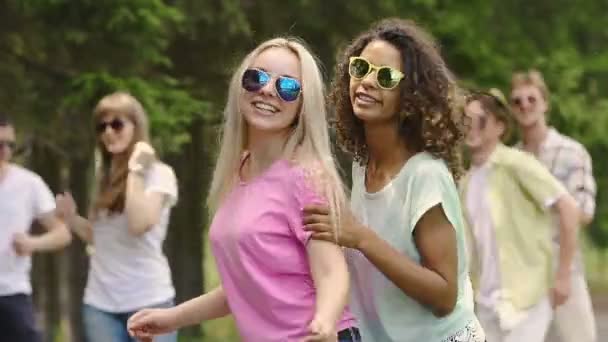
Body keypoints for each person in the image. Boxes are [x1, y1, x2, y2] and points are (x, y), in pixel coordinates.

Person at [127, 37, 359, 342]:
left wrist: (325, 323)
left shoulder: (307, 177)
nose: (266, 90)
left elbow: (332, 271)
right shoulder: (239, 170)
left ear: (304, 104)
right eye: (256, 77)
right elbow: (245, 285)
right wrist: (172, 318)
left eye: (287, 86)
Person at [303, 18, 484, 341]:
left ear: (411, 94)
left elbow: (444, 297)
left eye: (385, 77)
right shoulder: (362, 166)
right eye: (360, 69)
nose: (367, 82)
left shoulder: (424, 175)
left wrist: (361, 238)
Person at [55, 92, 179, 342]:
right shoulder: (103, 178)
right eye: (102, 126)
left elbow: (138, 224)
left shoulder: (160, 174)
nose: (109, 132)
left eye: (117, 124)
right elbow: (99, 237)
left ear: (137, 126)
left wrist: (136, 171)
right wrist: (72, 219)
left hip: (150, 302)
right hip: (100, 305)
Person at [461, 90, 579, 342]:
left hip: (527, 298)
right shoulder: (465, 181)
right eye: (465, 120)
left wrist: (564, 275)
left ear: (500, 126)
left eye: (480, 120)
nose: (470, 127)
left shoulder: (516, 163)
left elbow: (568, 207)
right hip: (486, 303)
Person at [509, 70, 597, 342]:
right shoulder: (510, 161)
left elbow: (583, 213)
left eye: (531, 99)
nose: (525, 105)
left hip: (565, 269)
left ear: (545, 104)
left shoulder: (572, 152)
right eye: (517, 101)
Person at [0, 113, 72, 342]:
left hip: (12, 292)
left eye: (10, 145)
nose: (5, 151)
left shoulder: (29, 183)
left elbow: (62, 233)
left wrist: (33, 242)